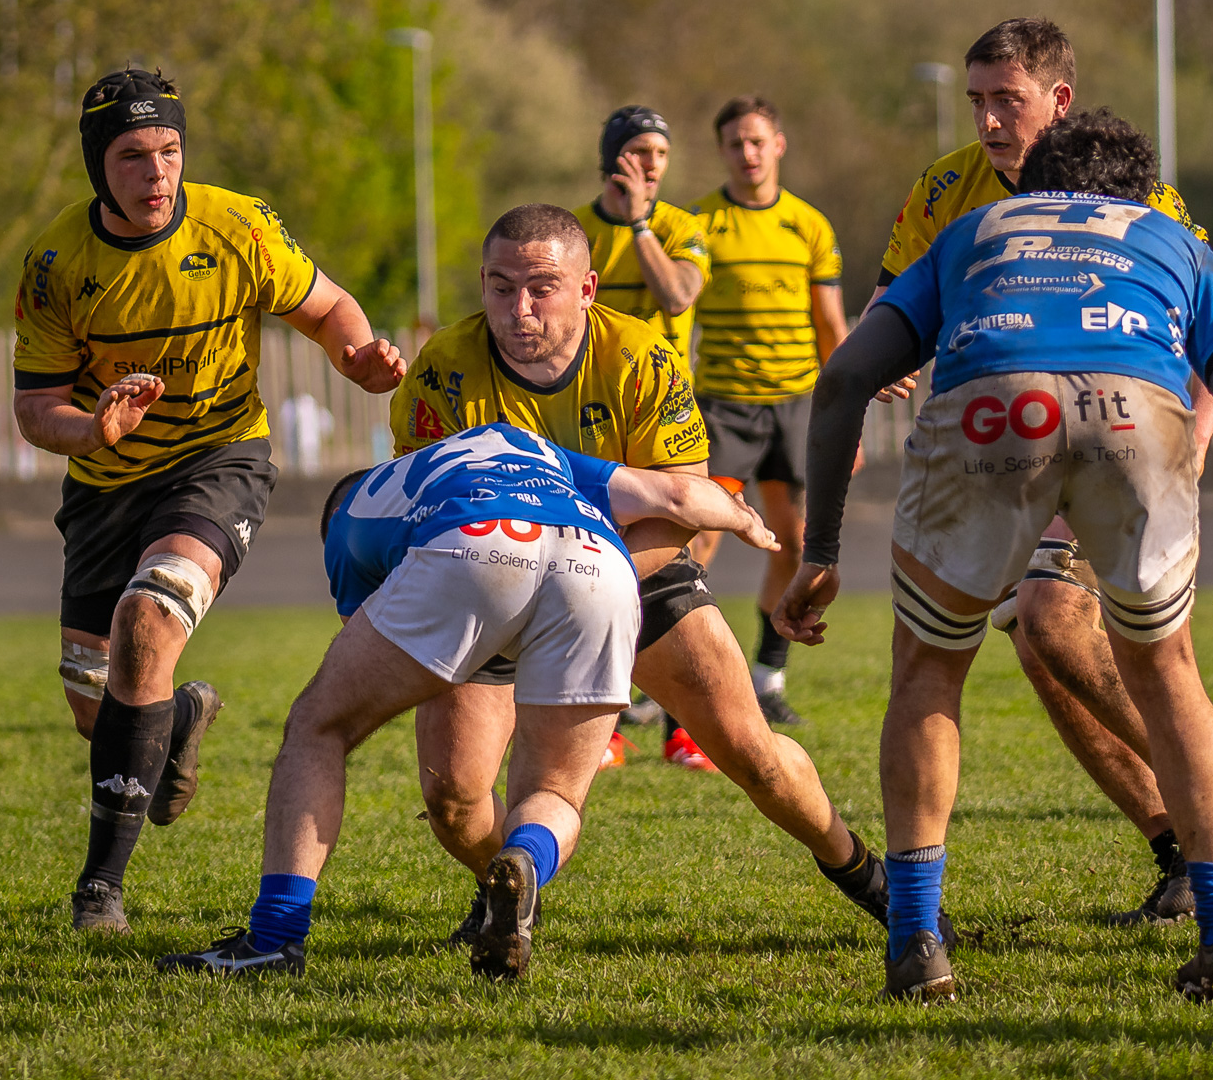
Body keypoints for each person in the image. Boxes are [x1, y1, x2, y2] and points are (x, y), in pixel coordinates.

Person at [777, 110, 1213, 1002]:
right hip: (1136, 417)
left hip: (993, 411)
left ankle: (917, 942)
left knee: (929, 668)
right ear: (1138, 194)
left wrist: (821, 549)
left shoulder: (973, 229)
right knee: (1168, 671)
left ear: (1038, 179)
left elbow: (843, 381)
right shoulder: (1173, 238)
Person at [389, 203, 916, 947]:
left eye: (541, 288)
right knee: (452, 797)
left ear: (587, 288)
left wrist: (579, 586)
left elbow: (682, 507)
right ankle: (508, 886)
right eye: (501, 288)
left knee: (755, 757)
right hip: (494, 583)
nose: (519, 309)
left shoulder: (640, 356)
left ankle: (870, 879)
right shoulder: (442, 368)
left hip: (635, 571)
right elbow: (420, 505)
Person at [872, 18, 1213, 925]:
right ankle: (1183, 841)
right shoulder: (945, 189)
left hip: (1119, 435)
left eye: (1006, 99)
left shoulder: (1134, 193)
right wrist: (881, 356)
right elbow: (893, 299)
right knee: (1041, 643)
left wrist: (1198, 437)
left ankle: (1210, 825)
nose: (988, 121)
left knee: (1052, 618)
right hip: (997, 447)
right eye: (977, 100)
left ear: (1059, 99)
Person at [156, 423, 781, 981]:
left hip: (475, 546)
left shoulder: (354, 510)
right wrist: (747, 520)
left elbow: (377, 655)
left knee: (319, 726)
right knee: (557, 791)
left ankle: (273, 939)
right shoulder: (529, 448)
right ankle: (524, 859)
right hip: (602, 565)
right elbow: (678, 495)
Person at [12, 68, 406, 933]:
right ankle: (180, 712)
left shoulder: (241, 226)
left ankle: (99, 890)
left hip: (218, 461)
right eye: (132, 155)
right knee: (100, 707)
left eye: (169, 149)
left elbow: (329, 306)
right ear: (97, 164)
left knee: (148, 618)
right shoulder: (55, 264)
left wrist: (356, 359)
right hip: (104, 487)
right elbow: (36, 407)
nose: (156, 172)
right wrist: (92, 431)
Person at [681, 95, 850, 726]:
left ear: (778, 144)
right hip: (723, 409)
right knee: (698, 539)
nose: (747, 153)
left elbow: (831, 327)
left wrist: (847, 417)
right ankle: (668, 685)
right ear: (722, 151)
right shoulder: (699, 224)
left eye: (757, 141)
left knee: (794, 543)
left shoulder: (809, 225)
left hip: (795, 406)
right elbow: (679, 318)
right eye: (735, 144)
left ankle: (766, 679)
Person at [573, 105, 711, 362]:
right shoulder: (575, 229)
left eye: (662, 153)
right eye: (641, 152)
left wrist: (638, 224)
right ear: (613, 158)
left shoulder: (683, 226)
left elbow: (678, 298)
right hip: (599, 376)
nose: (653, 164)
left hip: (666, 379)